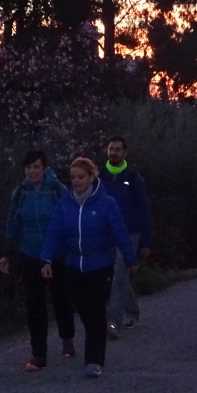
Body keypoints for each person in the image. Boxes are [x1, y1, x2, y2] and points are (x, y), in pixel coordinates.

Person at [40, 157, 138, 378]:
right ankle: (97, 334)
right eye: (73, 177)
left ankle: (94, 360)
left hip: (100, 266)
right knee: (85, 312)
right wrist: (46, 258)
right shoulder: (64, 205)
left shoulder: (106, 204)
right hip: (74, 266)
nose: (76, 181)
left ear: (92, 177)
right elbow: (54, 233)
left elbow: (120, 233)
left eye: (81, 177)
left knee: (95, 311)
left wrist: (131, 259)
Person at [0, 150, 75, 372]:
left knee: (61, 300)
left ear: (44, 168)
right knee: (34, 305)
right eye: (28, 167)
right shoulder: (20, 193)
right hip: (29, 254)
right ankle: (38, 353)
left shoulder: (57, 190)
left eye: (36, 167)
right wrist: (6, 253)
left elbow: (70, 217)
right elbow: (13, 223)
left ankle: (67, 338)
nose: (32, 171)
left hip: (57, 255)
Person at [99, 135, 152, 339]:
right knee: (116, 274)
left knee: (120, 273)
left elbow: (143, 210)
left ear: (125, 152)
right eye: (111, 149)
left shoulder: (134, 179)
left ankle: (112, 322)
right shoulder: (99, 177)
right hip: (106, 233)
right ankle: (132, 311)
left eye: (117, 149)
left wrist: (146, 240)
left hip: (129, 234)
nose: (113, 153)